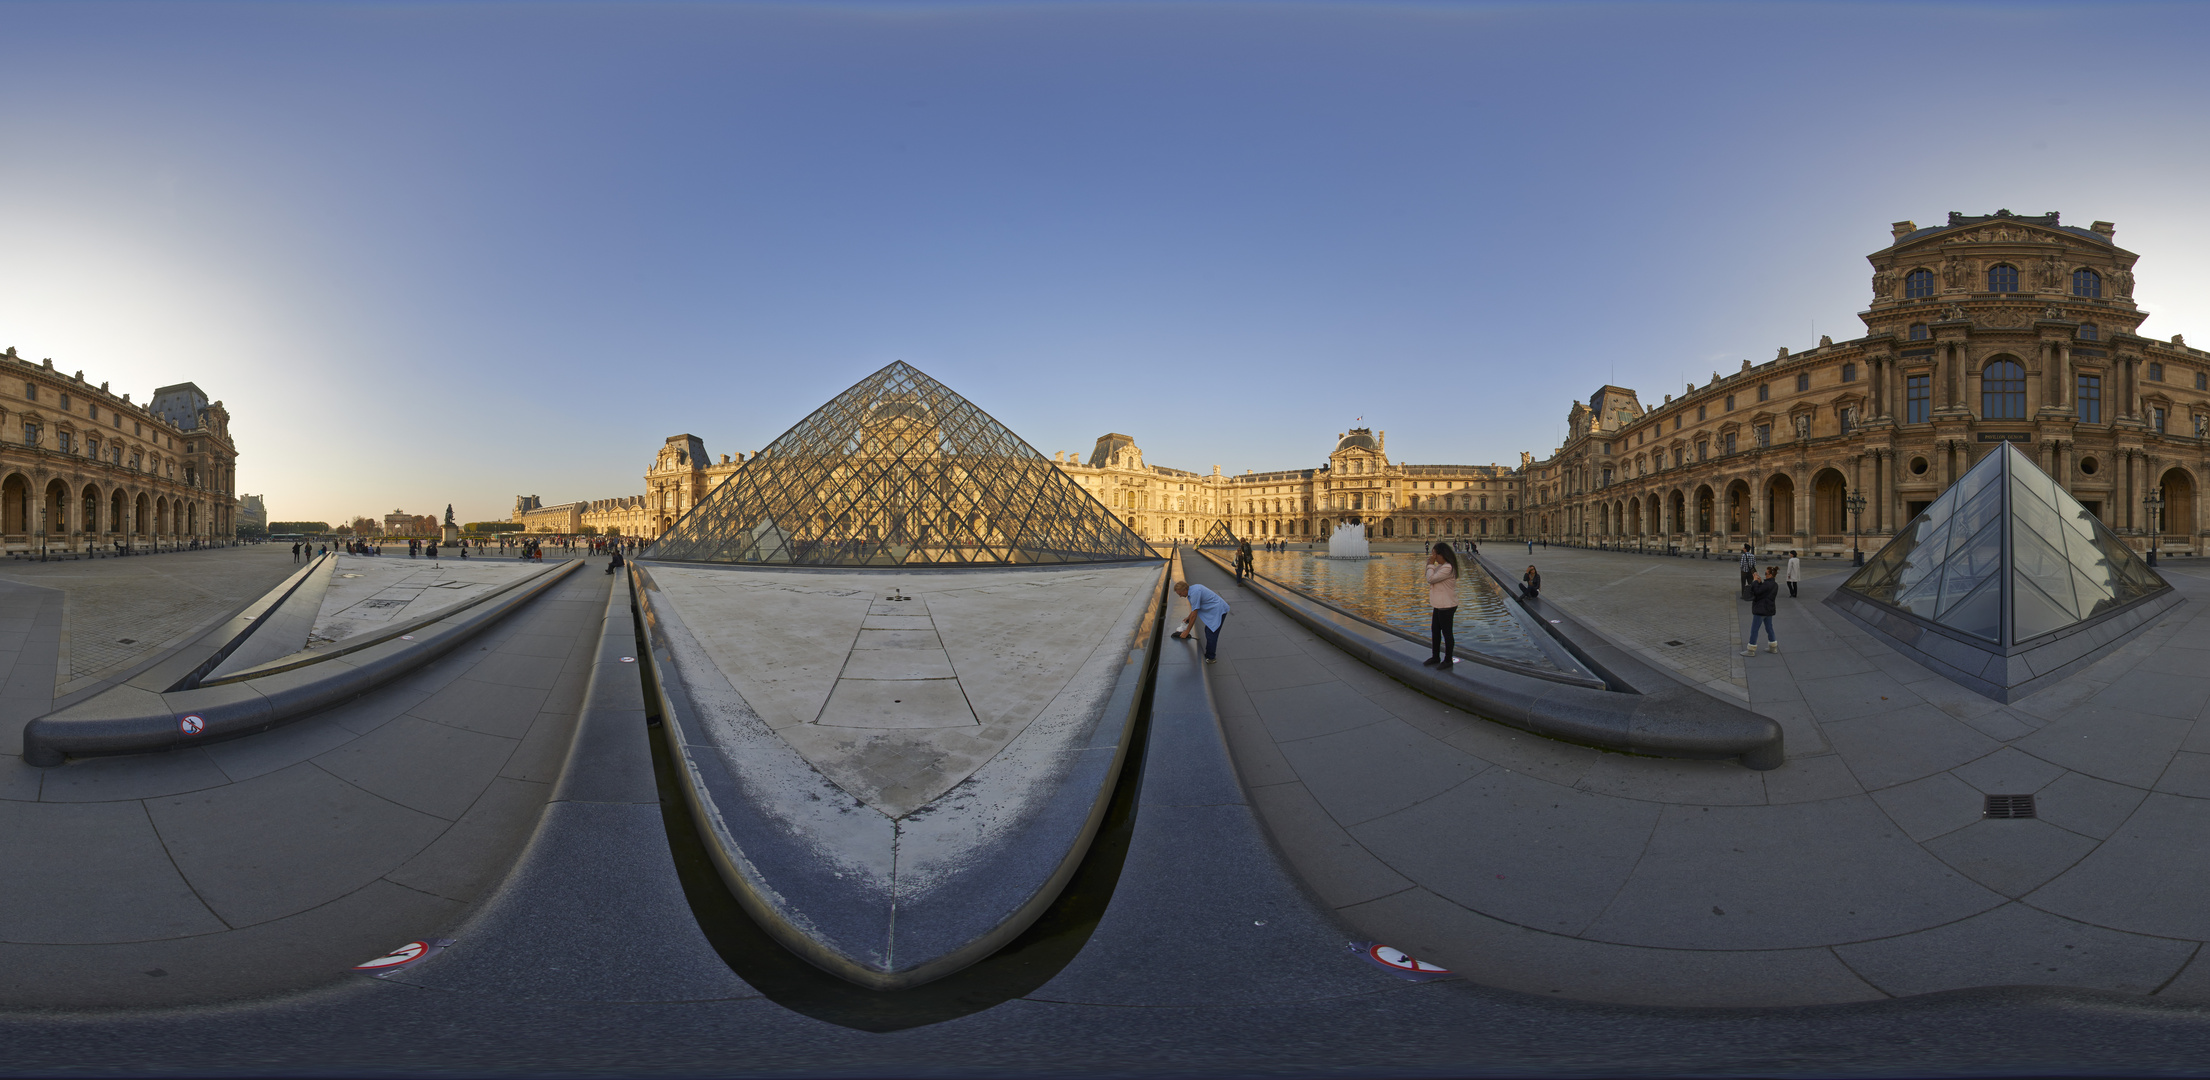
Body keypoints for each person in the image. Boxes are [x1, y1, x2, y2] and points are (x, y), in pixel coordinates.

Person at [1171, 579, 1230, 664]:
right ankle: (1209, 653)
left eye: (1180, 594)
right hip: (1215, 611)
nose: (1180, 596)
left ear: (1185, 590)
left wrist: (1187, 631)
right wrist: (1188, 617)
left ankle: (1211, 658)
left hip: (1219, 611)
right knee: (1208, 631)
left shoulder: (1194, 593)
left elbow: (1194, 615)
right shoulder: (1193, 589)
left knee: (1211, 634)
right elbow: (1195, 608)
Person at [1424, 543, 1460, 669]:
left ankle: (1448, 659)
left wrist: (1430, 564)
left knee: (1447, 633)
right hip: (1439, 604)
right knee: (1435, 631)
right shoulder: (1441, 566)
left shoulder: (1448, 568)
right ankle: (1435, 656)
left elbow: (1430, 579)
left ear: (1442, 554)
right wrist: (1430, 564)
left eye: (1434, 554)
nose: (1433, 556)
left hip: (1447, 605)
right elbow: (1428, 575)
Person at [1744, 566, 1780, 655]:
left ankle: (1751, 649)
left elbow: (1757, 592)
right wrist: (1759, 583)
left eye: (1766, 574)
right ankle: (1773, 647)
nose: (1765, 575)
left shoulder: (1767, 584)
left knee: (1754, 629)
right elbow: (1763, 592)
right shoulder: (1774, 584)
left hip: (1761, 609)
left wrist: (1755, 581)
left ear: (1771, 575)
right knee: (1769, 628)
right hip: (1769, 609)